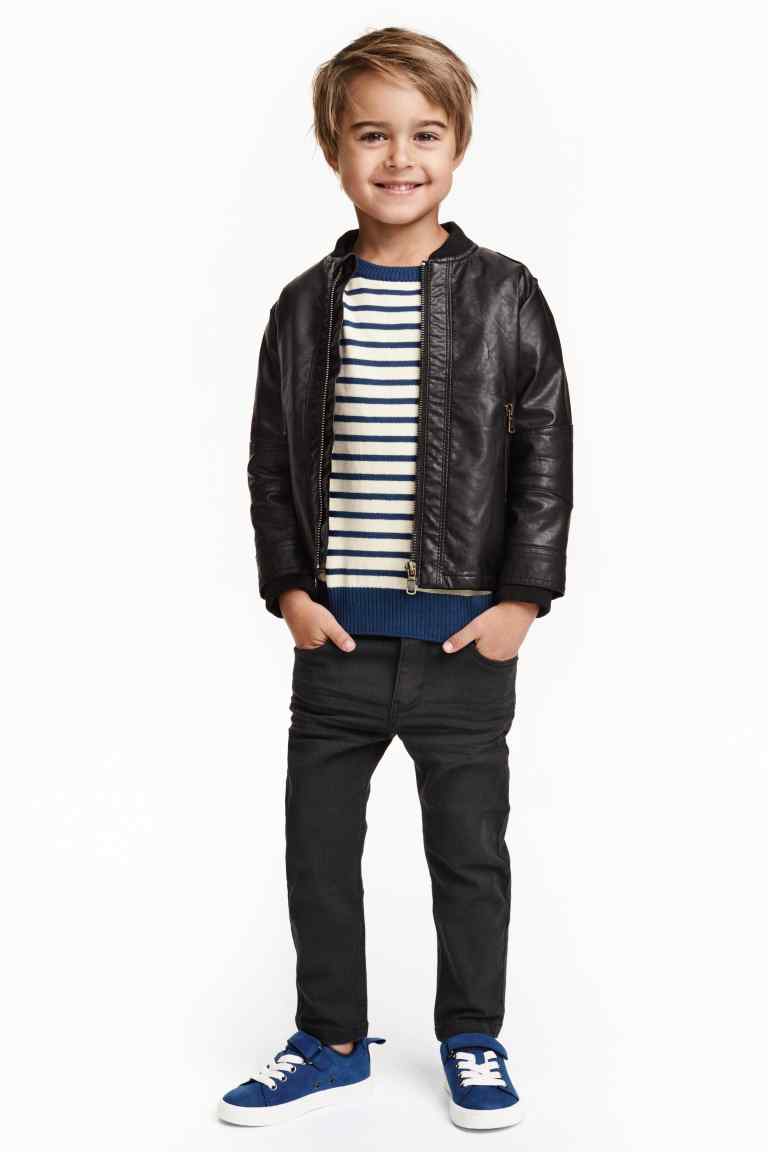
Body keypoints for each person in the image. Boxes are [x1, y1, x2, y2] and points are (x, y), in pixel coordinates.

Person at [218, 25, 573, 1131]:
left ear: (459, 147)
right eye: (372, 135)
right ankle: (329, 1039)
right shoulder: (302, 305)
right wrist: (290, 590)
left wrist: (521, 602)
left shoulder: (507, 294)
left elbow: (546, 454)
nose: (399, 158)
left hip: (467, 642)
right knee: (318, 851)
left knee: (468, 854)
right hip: (336, 643)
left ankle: (472, 1036)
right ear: (334, 149)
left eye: (425, 134)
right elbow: (270, 462)